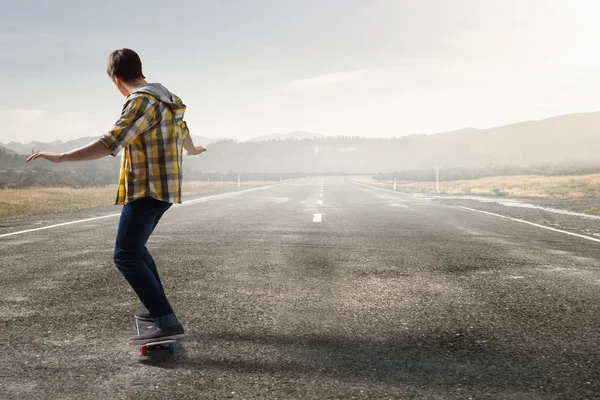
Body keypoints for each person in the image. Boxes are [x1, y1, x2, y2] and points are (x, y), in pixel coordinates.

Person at [26, 48, 206, 345]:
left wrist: (60, 157)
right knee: (137, 249)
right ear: (140, 70)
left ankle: (164, 318)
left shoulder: (140, 101)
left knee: (125, 255)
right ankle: (155, 310)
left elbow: (111, 142)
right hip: (166, 188)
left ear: (116, 79)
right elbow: (183, 127)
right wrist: (191, 149)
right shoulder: (168, 99)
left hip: (147, 188)